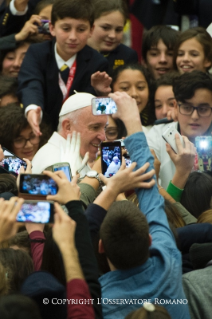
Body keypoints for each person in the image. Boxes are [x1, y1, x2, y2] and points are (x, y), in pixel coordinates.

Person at [92, 91, 190, 319]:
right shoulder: (168, 262)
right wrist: (134, 122)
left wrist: (110, 188)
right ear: (149, 240)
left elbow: (76, 240)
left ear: (100, 247)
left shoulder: (96, 303)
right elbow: (152, 197)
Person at [17, 0, 110, 135]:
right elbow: (31, 84)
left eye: (81, 29)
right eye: (66, 29)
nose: (73, 37)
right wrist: (32, 109)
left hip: (78, 134)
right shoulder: (36, 53)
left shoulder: (98, 62)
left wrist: (102, 94)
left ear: (91, 30)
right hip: (40, 130)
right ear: (52, 28)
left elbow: (104, 114)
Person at [147, 70, 212, 189]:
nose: (195, 116)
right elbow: (155, 203)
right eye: (187, 108)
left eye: (203, 109)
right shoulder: (157, 135)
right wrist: (182, 172)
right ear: (176, 106)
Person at [31, 92, 107, 175]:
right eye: (95, 127)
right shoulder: (55, 163)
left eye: (105, 128)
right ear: (68, 127)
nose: (103, 137)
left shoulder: (70, 157)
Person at [87, 0, 138, 73]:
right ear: (89, 24)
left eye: (118, 30)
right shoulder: (75, 51)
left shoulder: (128, 56)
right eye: (105, 28)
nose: (112, 36)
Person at [111, 63, 155, 130]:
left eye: (140, 87)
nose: (134, 94)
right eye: (125, 88)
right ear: (112, 89)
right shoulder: (106, 122)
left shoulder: (156, 123)